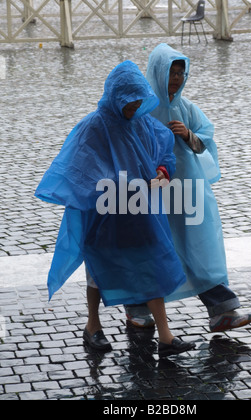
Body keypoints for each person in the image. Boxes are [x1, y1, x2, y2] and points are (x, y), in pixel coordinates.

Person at [35, 60, 196, 357]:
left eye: (138, 102)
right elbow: (77, 168)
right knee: (99, 271)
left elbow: (163, 150)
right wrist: (112, 186)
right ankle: (93, 326)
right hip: (106, 214)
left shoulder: (143, 123)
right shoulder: (93, 126)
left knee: (152, 263)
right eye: (130, 104)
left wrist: (162, 171)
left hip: (141, 210)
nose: (135, 108)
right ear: (117, 97)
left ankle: (166, 336)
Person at [125, 43, 251, 333]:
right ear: (158, 72)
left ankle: (222, 308)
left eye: (181, 73)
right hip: (153, 193)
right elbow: (128, 144)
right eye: (171, 72)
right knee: (148, 246)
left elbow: (205, 140)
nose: (176, 78)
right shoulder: (142, 108)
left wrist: (188, 134)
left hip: (188, 193)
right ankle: (136, 307)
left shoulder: (186, 108)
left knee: (197, 246)